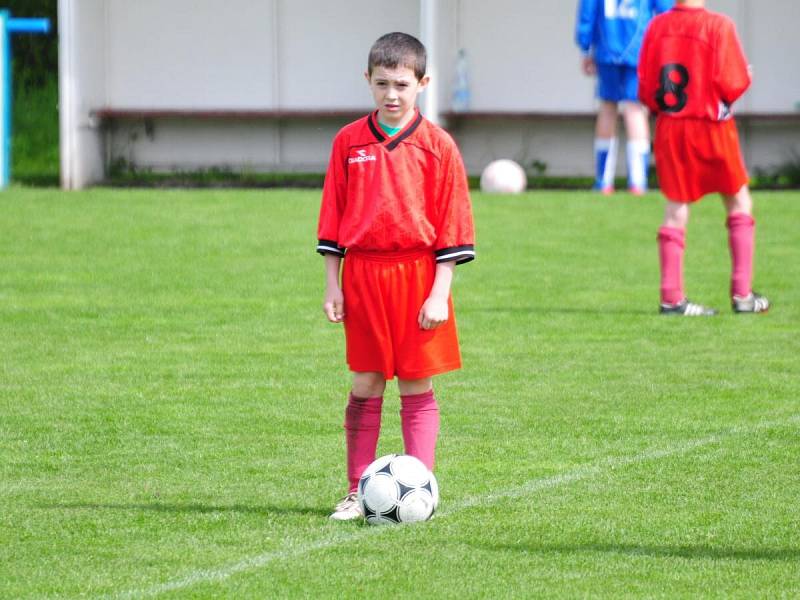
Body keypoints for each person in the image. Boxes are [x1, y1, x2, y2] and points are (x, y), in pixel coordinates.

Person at [316, 32, 475, 520]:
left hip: (418, 278)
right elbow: (333, 217)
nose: (392, 94)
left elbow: (452, 225)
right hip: (363, 276)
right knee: (365, 383)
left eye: (402, 84)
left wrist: (439, 294)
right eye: (382, 83)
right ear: (367, 81)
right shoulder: (348, 142)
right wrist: (332, 282)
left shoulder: (438, 145)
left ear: (422, 83)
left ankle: (419, 487)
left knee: (415, 385)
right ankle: (354, 490)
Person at [638, 0, 769, 315]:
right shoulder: (719, 25)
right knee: (738, 201)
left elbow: (644, 85)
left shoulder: (657, 26)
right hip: (712, 126)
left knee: (675, 208)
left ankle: (671, 298)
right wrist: (746, 76)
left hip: (671, 127)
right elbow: (732, 82)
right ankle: (742, 295)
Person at [575, 0, 674, 194]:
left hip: (606, 49)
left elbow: (587, 13)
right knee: (635, 109)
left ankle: (603, 181)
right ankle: (638, 181)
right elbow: (666, 11)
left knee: (607, 108)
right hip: (638, 49)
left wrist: (585, 48)